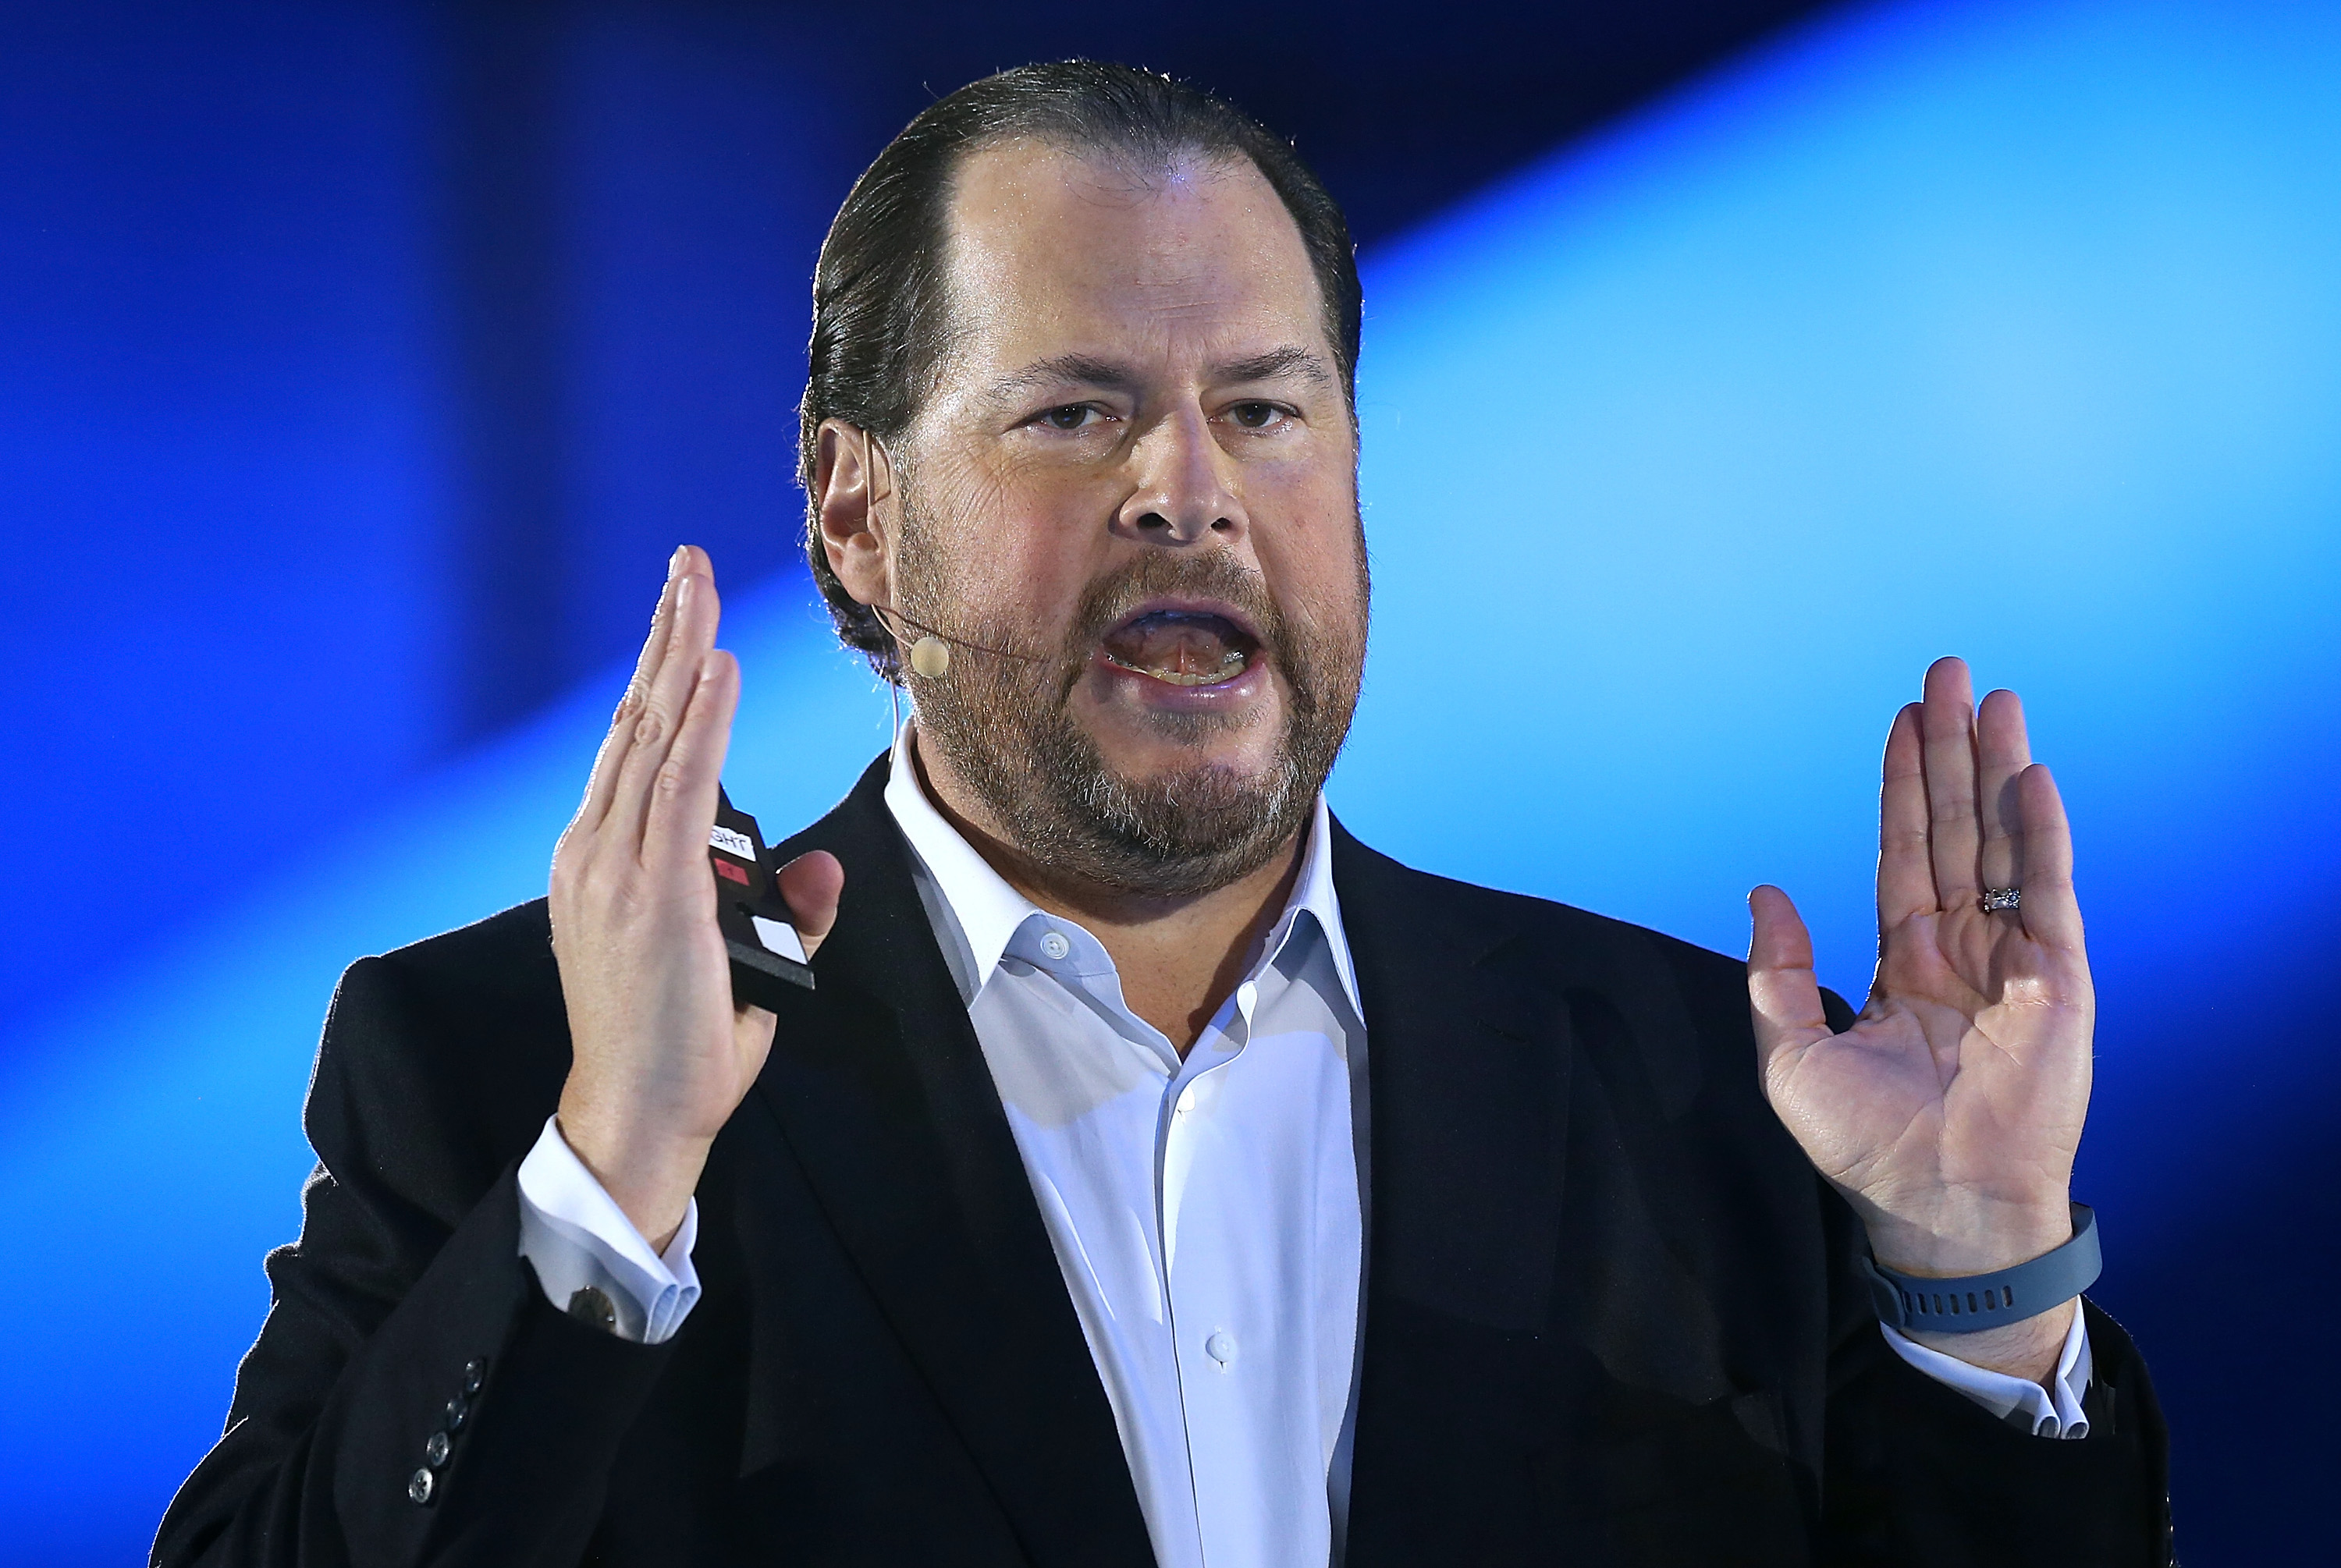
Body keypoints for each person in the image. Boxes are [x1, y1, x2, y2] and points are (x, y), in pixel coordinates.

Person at [154, 62, 2169, 1568]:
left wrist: (1977, 1276)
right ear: (855, 512)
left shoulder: (1715, 1095)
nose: (1187, 492)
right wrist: (611, 1182)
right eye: (1077, 410)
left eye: (1265, 411)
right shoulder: (517, 1069)